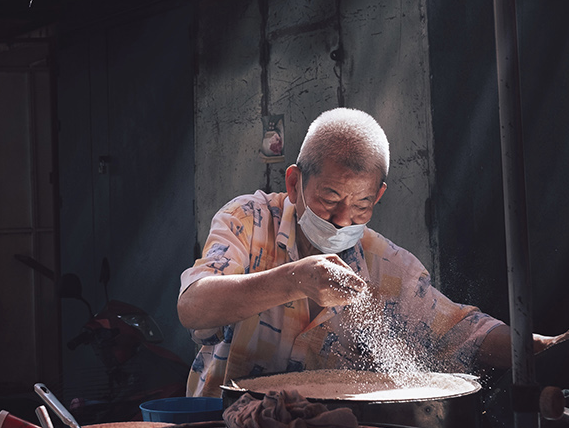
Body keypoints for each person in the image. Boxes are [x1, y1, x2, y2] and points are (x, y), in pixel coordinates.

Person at [178, 107, 517, 396]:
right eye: (329, 200)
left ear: (378, 196)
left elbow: (459, 330)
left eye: (361, 205)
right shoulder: (249, 219)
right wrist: (297, 280)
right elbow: (193, 307)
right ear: (294, 183)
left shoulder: (384, 264)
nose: (342, 220)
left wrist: (534, 347)